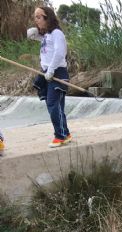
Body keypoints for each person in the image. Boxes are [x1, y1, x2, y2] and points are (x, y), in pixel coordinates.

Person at [27, 6, 72, 148]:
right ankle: (66, 133)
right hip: (47, 73)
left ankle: (60, 136)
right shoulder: (47, 35)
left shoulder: (57, 33)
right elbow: (42, 41)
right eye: (35, 17)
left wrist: (51, 70)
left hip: (57, 73)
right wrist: (34, 34)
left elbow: (60, 52)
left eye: (39, 17)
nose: (36, 20)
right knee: (57, 106)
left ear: (48, 18)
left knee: (53, 104)